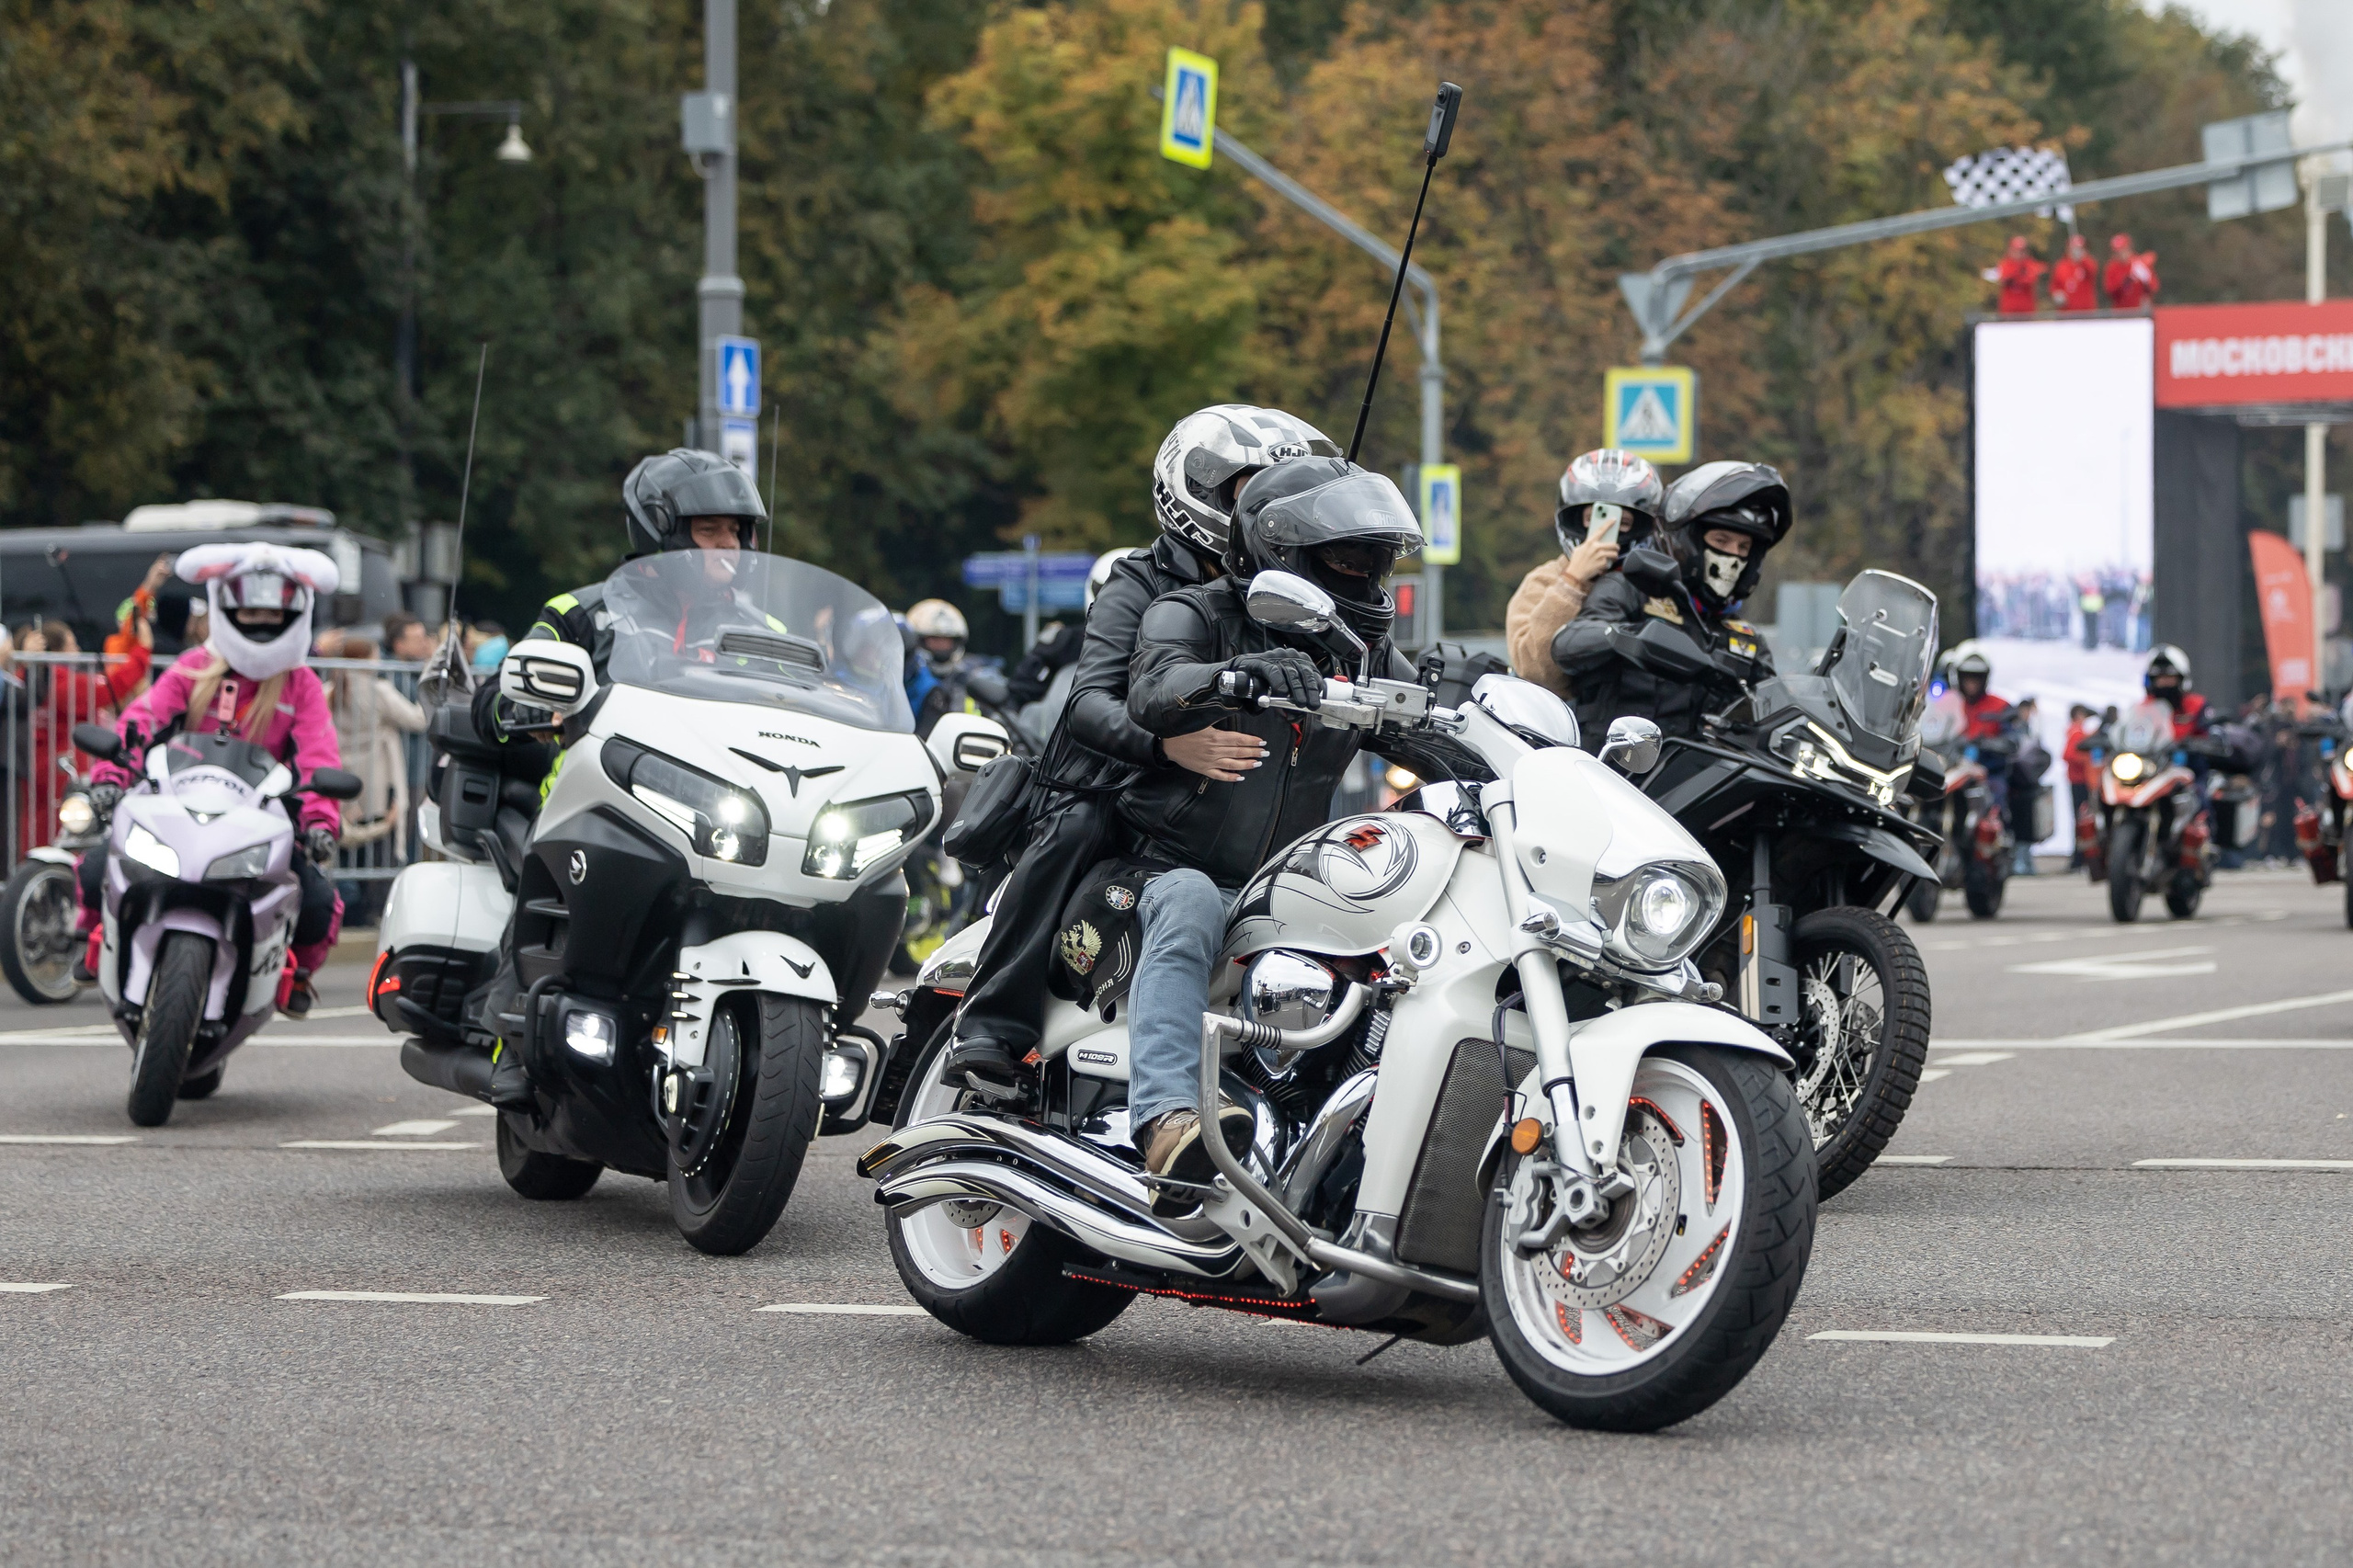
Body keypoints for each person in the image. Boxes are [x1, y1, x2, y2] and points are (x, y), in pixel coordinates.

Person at [945, 404, 1336, 1095]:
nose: (1268, 506)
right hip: (1115, 783)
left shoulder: (1292, 595)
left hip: (1232, 806)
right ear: (1199, 494)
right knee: (1077, 825)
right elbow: (1089, 705)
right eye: (1249, 488)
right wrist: (1168, 747)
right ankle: (991, 1025)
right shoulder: (1141, 582)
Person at [1114, 456, 1474, 1198]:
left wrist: (1481, 716)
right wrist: (1232, 678)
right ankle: (1166, 1119)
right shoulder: (1192, 613)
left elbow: (1419, 715)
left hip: (1284, 882)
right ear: (1284, 553)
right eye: (1346, 559)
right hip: (1164, 865)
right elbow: (1151, 689)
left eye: (1375, 562)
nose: (1365, 578)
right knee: (1188, 901)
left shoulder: (1358, 645)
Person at [80, 544, 346, 1015]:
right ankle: (97, 938)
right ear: (227, 606)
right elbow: (138, 724)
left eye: (272, 610)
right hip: (177, 811)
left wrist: (322, 823)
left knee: (319, 901)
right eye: (249, 608)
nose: (261, 619)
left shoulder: (301, 684)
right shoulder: (193, 667)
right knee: (99, 865)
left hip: (261, 823)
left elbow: (319, 756)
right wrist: (108, 775)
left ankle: (294, 975)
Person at [1550, 460, 1787, 745]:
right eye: (1721, 541)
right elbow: (1568, 644)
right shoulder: (1631, 590)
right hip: (1617, 775)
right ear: (1688, 541)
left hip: (1707, 783)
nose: (1733, 556)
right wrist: (1630, 638)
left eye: (1744, 547)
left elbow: (1778, 716)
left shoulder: (1747, 642)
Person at [1506, 449, 1663, 699]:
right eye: (1596, 518)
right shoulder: (1543, 581)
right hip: (1568, 724)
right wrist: (1572, 582)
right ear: (1574, 519)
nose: (1606, 532)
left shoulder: (1657, 585)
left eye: (1623, 523)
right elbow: (1534, 671)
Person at [327, 633, 428, 924]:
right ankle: (375, 909)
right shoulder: (379, 691)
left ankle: (348, 909)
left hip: (342, 781)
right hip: (376, 780)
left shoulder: (330, 690)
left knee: (348, 848)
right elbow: (417, 719)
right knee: (378, 849)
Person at [1985, 235, 2045, 314]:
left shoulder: (2030, 264)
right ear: (2010, 250)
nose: (2019, 254)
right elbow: (2004, 279)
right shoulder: (2005, 264)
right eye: (2016, 251)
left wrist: (2016, 278)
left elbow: (2031, 279)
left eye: (2021, 251)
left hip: (2027, 310)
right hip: (2008, 310)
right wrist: (2018, 275)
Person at [2104, 233, 2158, 308]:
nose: (2120, 253)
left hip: (2140, 310)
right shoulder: (2112, 267)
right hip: (2120, 310)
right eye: (2117, 251)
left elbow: (2154, 287)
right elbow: (2110, 290)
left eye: (2123, 249)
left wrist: (2146, 279)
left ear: (2129, 248)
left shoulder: (2139, 263)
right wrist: (2126, 280)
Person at [2050, 233, 2098, 312]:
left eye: (2081, 248)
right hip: (2067, 312)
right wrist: (2056, 294)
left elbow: (2092, 270)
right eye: (2075, 248)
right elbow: (2054, 286)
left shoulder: (2088, 262)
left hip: (2087, 312)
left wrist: (2083, 259)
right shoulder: (2061, 266)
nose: (2077, 251)